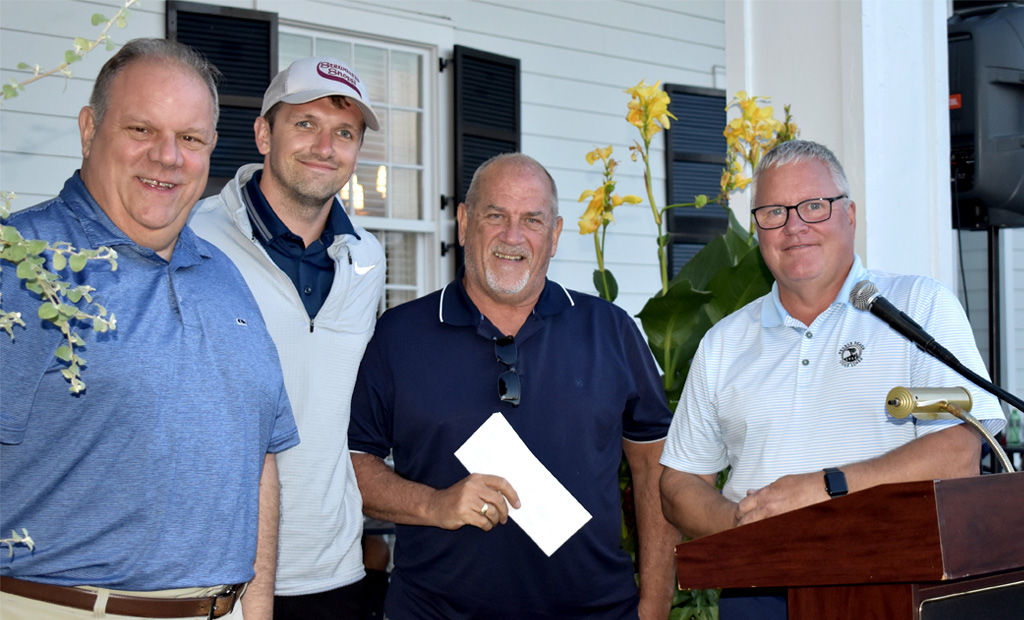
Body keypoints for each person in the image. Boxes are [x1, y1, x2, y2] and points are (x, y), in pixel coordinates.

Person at [0, 38, 299, 620]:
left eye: (190, 139)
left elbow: (258, 454)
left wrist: (256, 609)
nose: (167, 157)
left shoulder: (224, 277)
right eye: (142, 130)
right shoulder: (21, 270)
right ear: (90, 130)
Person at [658, 139, 1006, 619]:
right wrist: (744, 521)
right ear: (758, 228)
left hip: (895, 585)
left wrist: (827, 489)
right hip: (759, 591)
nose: (794, 226)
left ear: (851, 216)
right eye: (774, 212)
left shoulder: (916, 310)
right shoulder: (724, 343)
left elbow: (958, 448)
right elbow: (678, 482)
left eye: (814, 207)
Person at [348, 153, 680, 620]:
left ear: (555, 235)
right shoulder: (400, 335)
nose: (512, 236)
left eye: (532, 220)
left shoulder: (611, 331)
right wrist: (434, 503)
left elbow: (654, 467)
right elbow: (352, 464)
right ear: (464, 223)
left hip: (597, 611)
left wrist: (655, 605)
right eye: (495, 215)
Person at [190, 56, 386, 620]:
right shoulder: (195, 239)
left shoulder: (367, 259)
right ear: (263, 133)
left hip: (336, 568)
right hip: (216, 575)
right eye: (305, 124)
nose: (325, 146)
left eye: (344, 132)